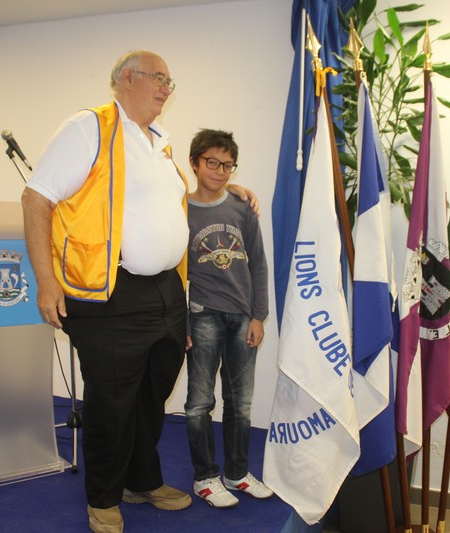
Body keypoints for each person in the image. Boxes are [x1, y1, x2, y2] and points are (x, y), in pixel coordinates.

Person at [22, 51, 254, 533]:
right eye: (159, 78)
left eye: (171, 81)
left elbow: (169, 208)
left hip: (166, 292)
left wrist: (229, 191)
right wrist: (46, 281)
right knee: (111, 401)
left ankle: (141, 480)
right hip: (111, 293)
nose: (168, 87)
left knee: (152, 397)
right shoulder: (89, 128)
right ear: (127, 79)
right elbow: (36, 198)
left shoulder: (159, 144)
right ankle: (103, 497)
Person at [184, 129, 274, 509]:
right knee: (199, 403)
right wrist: (181, 324)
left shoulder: (242, 207)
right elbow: (175, 273)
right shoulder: (181, 210)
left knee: (240, 402)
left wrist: (259, 316)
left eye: (227, 165)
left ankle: (237, 474)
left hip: (242, 316)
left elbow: (259, 264)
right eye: (212, 163)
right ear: (194, 163)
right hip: (202, 315)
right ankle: (205, 478)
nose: (220, 171)